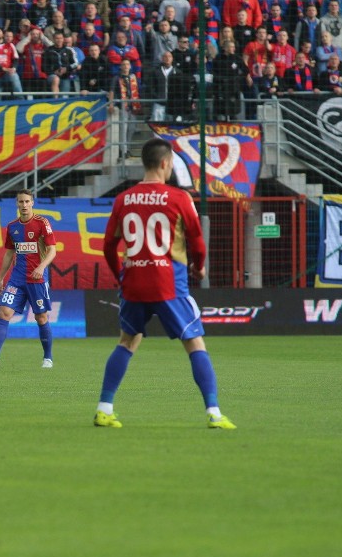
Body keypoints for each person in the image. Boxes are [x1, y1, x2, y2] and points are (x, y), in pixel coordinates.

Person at [93, 138, 237, 430]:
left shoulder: (124, 199)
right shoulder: (179, 198)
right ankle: (213, 412)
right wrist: (199, 267)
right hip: (168, 284)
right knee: (195, 342)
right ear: (164, 163)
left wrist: (121, 274)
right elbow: (197, 241)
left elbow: (109, 245)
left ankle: (104, 408)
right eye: (171, 163)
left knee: (127, 341)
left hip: (133, 283)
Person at [0, 189, 56, 370]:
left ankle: (48, 357)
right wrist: (0, 278)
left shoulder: (42, 223)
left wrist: (41, 267)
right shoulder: (12, 226)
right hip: (17, 279)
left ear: (32, 203)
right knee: (4, 312)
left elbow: (52, 250)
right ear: (17, 204)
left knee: (41, 317)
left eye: (27, 201)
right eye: (21, 202)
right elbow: (9, 253)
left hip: (37, 280)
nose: (24, 205)